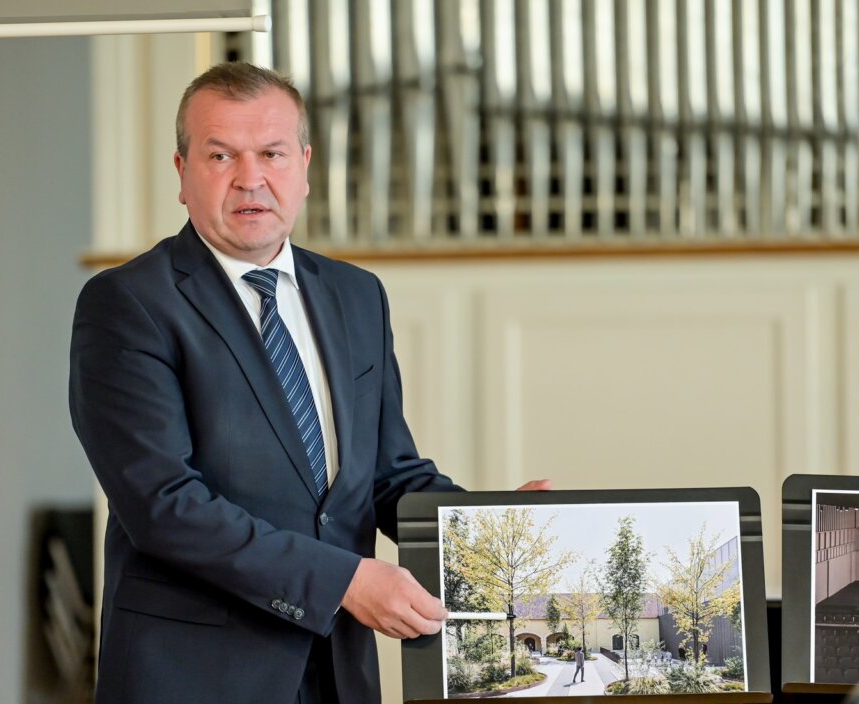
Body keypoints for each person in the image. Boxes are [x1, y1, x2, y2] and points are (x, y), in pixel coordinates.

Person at [69, 62, 549, 704]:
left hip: (338, 670)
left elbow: (386, 477)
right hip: (194, 676)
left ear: (304, 166)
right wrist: (345, 582)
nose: (251, 177)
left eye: (271, 153)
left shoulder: (356, 296)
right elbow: (164, 505)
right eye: (221, 155)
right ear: (182, 174)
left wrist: (489, 530)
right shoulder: (128, 303)